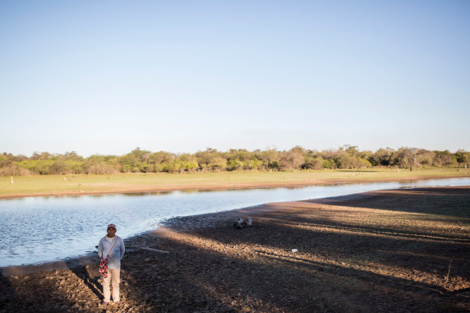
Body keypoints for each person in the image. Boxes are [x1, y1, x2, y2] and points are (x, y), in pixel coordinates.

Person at [98, 223, 125, 306]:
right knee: (106, 283)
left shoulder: (119, 239)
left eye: (112, 229)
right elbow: (99, 252)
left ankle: (116, 299)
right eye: (109, 229)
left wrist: (118, 259)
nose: (111, 231)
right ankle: (106, 300)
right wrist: (103, 260)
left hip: (116, 265)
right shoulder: (102, 240)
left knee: (116, 283)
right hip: (106, 265)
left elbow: (122, 250)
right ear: (107, 230)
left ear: (115, 230)